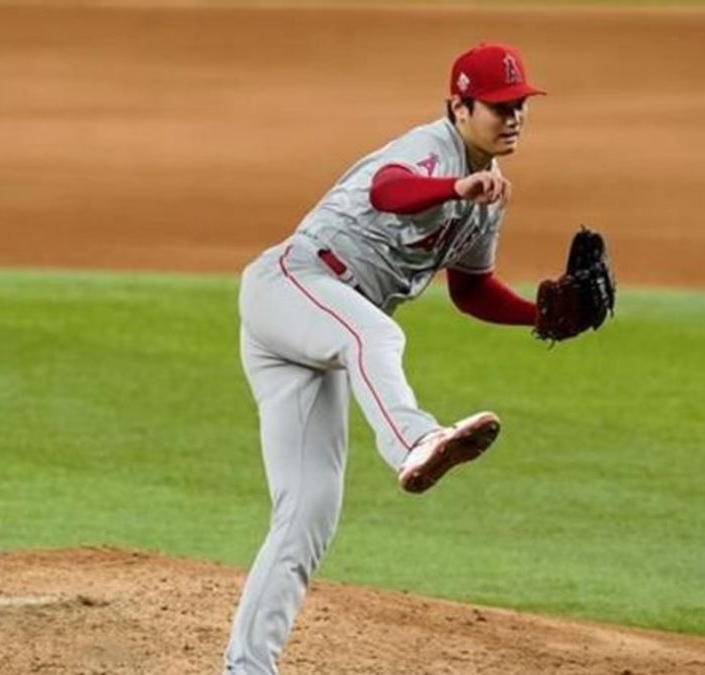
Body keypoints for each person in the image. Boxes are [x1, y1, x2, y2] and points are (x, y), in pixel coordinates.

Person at [223, 42, 549, 674]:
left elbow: (471, 288)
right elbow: (388, 190)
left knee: (308, 515)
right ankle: (413, 442)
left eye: (519, 106)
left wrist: (540, 316)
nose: (512, 118)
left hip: (314, 328)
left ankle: (246, 668)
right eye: (497, 106)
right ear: (459, 106)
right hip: (291, 285)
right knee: (375, 337)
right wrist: (456, 183)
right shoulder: (429, 150)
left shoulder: (487, 195)